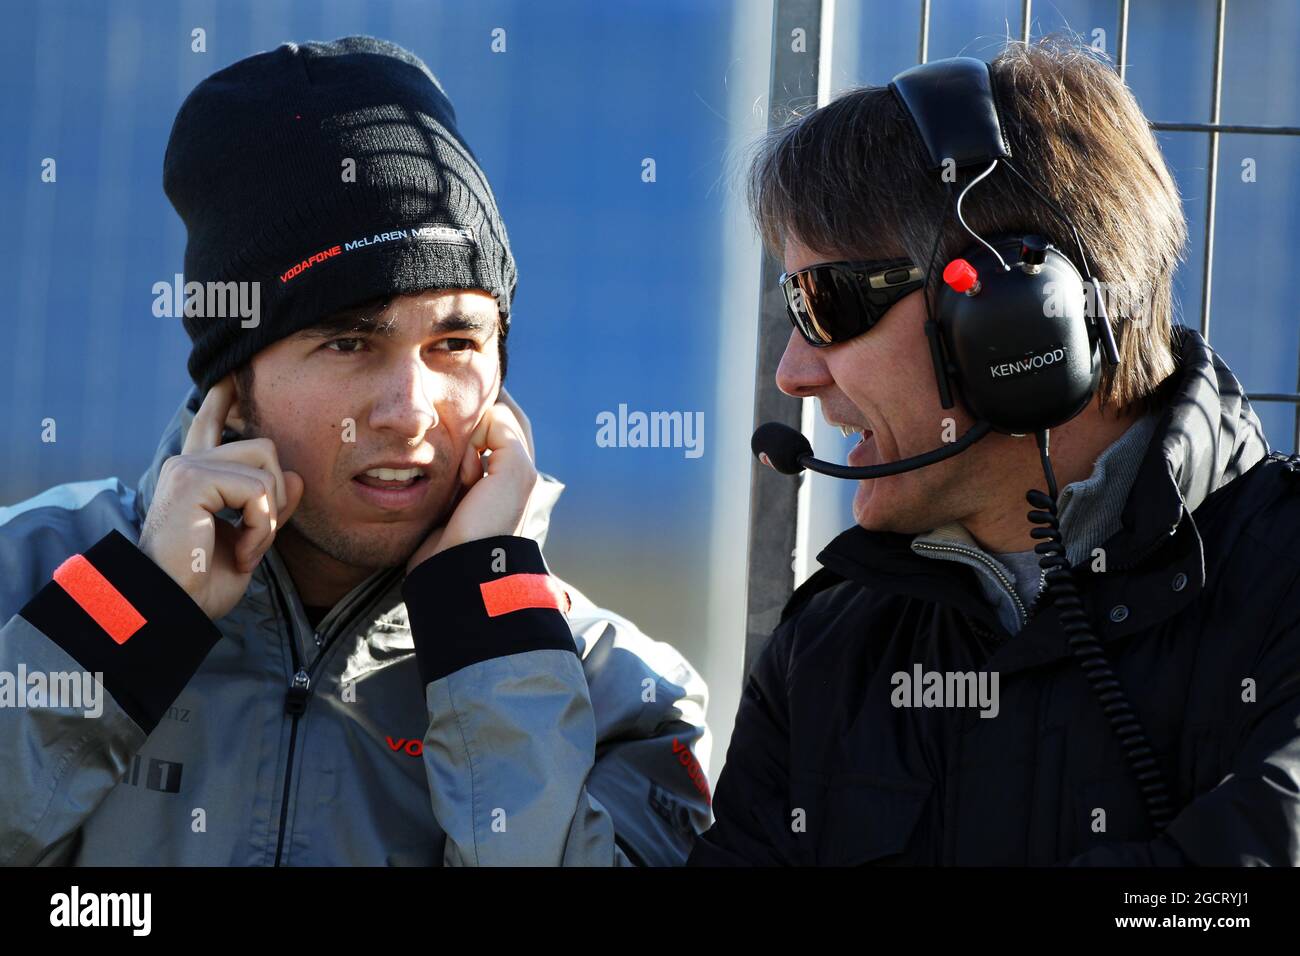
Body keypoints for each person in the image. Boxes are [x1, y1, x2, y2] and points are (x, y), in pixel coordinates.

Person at [0, 36, 709, 866]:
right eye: (347, 343)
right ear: (234, 379)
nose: (410, 412)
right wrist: (136, 619)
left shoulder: (619, 691)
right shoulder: (25, 581)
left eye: (454, 343)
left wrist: (487, 639)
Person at [690, 38, 1300, 865]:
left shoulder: (1285, 578)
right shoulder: (831, 644)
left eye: (825, 302)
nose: (792, 373)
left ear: (1021, 316)